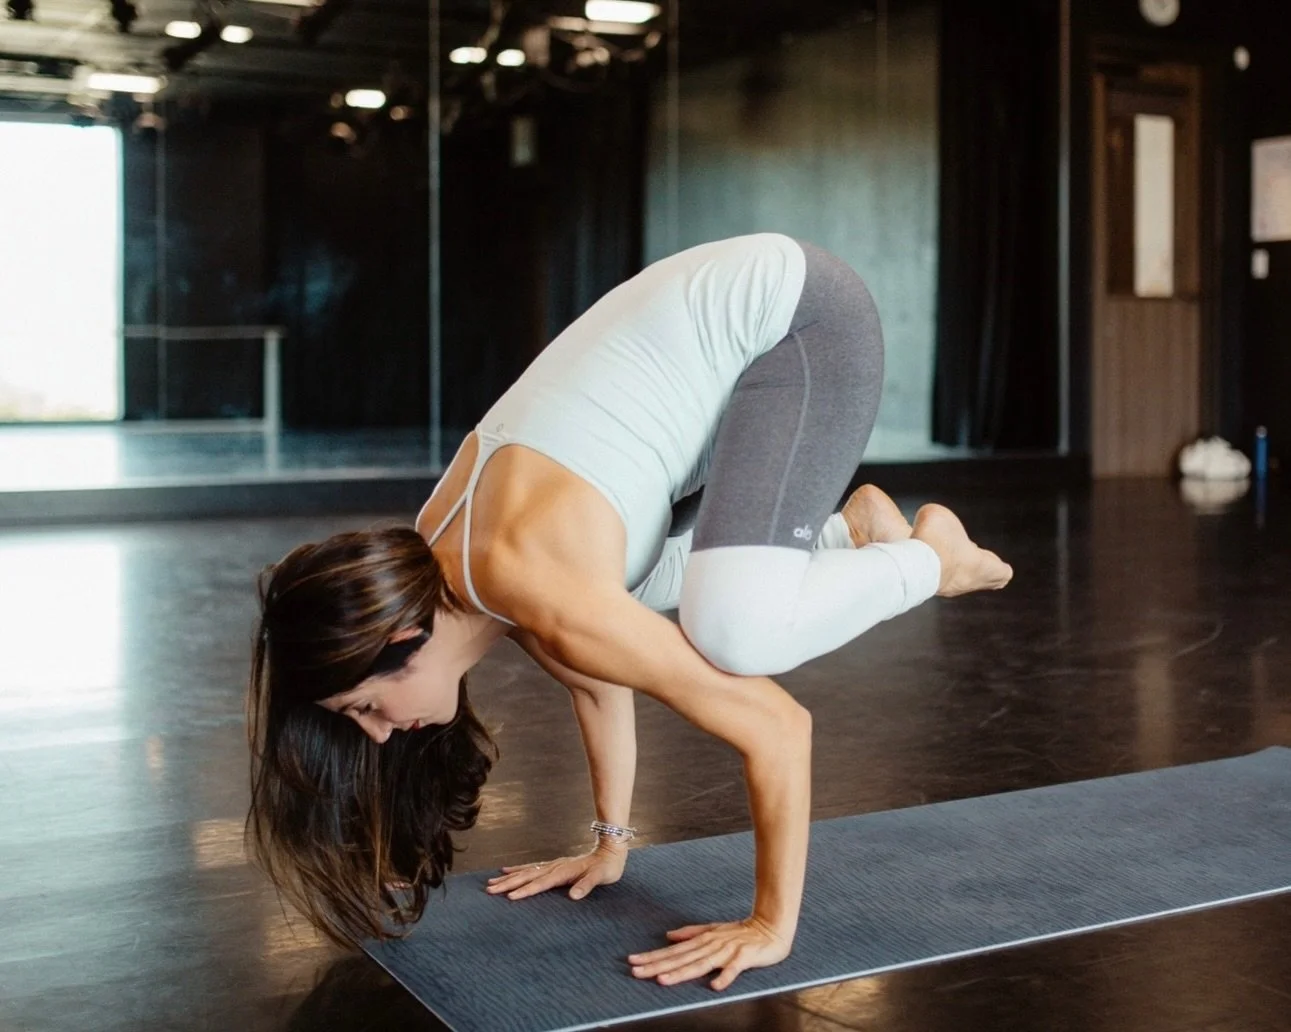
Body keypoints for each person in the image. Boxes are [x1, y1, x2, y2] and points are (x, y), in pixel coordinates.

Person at [247, 234, 1012, 993]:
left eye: (365, 706)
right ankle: (851, 532)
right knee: (633, 603)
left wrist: (768, 925)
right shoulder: (452, 569)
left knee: (735, 633)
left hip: (800, 322)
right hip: (730, 353)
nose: (379, 731)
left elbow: (777, 726)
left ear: (401, 637)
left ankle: (929, 557)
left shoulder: (528, 575)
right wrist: (609, 845)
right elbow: (593, 678)